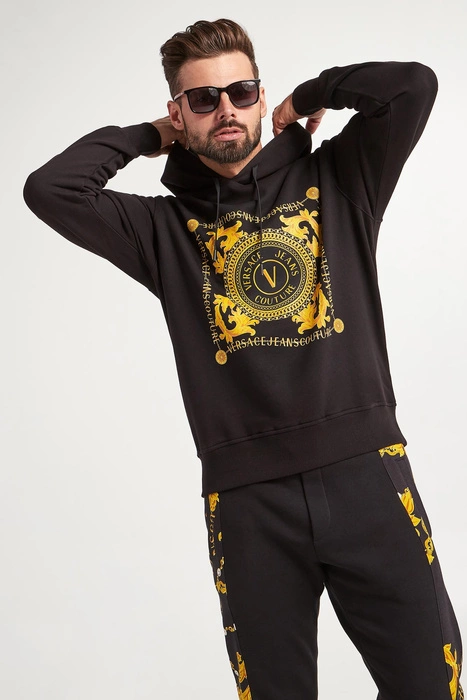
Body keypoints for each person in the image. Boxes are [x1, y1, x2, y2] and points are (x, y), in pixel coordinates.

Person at [23, 17, 463, 700]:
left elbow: (413, 87)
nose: (225, 108)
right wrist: (150, 136)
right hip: (248, 505)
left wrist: (312, 94)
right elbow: (50, 189)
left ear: (261, 96)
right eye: (203, 99)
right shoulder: (163, 229)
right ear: (180, 112)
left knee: (432, 686)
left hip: (368, 478)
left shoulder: (342, 180)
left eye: (241, 91)